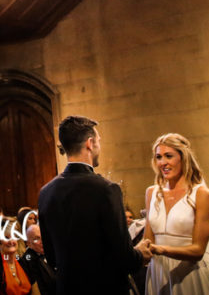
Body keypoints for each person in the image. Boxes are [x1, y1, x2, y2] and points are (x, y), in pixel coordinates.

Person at [37, 115, 151, 295]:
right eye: (98, 141)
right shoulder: (106, 189)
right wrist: (140, 253)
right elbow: (125, 257)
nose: (99, 146)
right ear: (90, 143)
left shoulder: (46, 192)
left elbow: (51, 258)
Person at [144, 132, 209, 295]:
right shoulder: (152, 193)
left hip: (189, 275)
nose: (162, 163)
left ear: (183, 158)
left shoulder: (201, 194)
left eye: (168, 156)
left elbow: (198, 250)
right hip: (158, 273)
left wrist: (161, 250)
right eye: (158, 157)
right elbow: (147, 241)